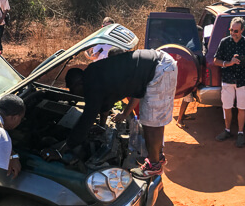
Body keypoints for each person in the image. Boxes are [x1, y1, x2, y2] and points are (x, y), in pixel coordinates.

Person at [65, 49, 178, 179]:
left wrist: (67, 146)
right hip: (159, 65)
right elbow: (105, 102)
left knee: (151, 122)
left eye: (72, 89)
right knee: (153, 120)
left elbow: (88, 116)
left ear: (79, 83)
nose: (72, 93)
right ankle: (157, 156)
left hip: (160, 69)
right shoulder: (94, 74)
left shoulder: (91, 83)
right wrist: (102, 126)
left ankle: (153, 166)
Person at [213, 17, 245, 148]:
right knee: (226, 107)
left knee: (242, 108)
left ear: (242, 30)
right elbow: (216, 60)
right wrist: (228, 63)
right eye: (231, 30)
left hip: (243, 81)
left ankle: (240, 133)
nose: (233, 33)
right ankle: (227, 130)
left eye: (236, 30)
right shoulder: (225, 42)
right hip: (227, 80)